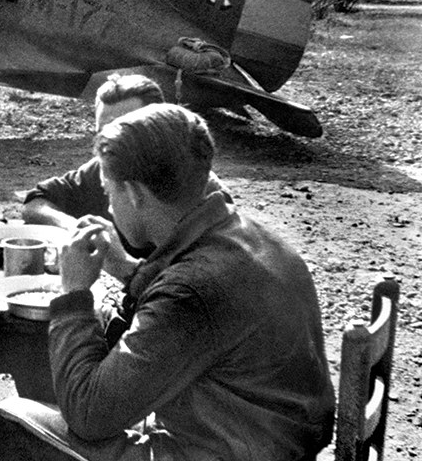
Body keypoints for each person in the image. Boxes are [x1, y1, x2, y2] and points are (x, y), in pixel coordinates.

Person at [49, 104, 335, 460]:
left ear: (136, 193)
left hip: (223, 452)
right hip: (271, 436)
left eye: (110, 192)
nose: (109, 208)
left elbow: (89, 416)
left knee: (10, 422)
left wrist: (73, 295)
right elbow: (191, 318)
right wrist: (128, 270)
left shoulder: (191, 292)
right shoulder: (244, 234)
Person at [20, 73, 166, 231]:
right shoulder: (102, 169)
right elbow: (36, 203)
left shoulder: (183, 178)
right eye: (103, 133)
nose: (111, 143)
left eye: (125, 132)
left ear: (157, 127)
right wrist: (72, 225)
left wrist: (120, 256)